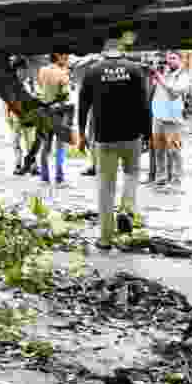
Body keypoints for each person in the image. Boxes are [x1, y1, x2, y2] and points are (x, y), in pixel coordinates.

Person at [76, 37, 153, 245]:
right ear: (121, 50)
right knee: (132, 175)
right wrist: (148, 134)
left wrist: (81, 134)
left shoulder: (93, 71)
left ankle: (105, 237)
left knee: (106, 186)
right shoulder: (136, 70)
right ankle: (126, 210)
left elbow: (83, 105)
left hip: (104, 137)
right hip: (131, 136)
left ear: (103, 51)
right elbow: (145, 105)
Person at [148, 51, 192, 188]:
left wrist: (160, 79)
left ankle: (176, 181)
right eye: (168, 59)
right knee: (158, 149)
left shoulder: (183, 76)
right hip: (158, 116)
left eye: (173, 58)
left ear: (181, 60)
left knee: (174, 150)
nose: (170, 61)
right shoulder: (165, 73)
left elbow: (174, 93)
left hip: (172, 118)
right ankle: (160, 178)